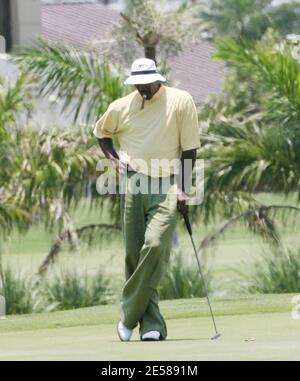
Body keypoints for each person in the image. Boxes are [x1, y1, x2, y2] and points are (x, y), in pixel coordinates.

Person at [93, 58, 200, 342]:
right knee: (133, 253)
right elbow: (101, 132)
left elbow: (189, 150)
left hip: (167, 183)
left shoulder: (181, 101)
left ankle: (128, 315)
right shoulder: (121, 106)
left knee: (154, 246)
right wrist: (113, 160)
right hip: (132, 182)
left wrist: (183, 188)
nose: (142, 88)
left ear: (159, 79)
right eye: (137, 83)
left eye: (147, 83)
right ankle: (152, 325)